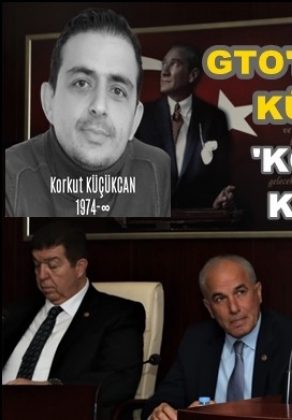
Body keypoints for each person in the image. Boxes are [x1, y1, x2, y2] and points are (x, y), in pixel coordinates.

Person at [4, 8, 171, 217]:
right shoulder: (10, 176)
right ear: (49, 101)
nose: (99, 106)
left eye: (117, 90)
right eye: (81, 83)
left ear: (135, 120)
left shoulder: (158, 169)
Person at [143, 255, 292, 420]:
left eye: (240, 292)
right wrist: (159, 413)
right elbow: (161, 400)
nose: (234, 308)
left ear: (258, 292)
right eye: (220, 299)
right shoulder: (197, 339)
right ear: (209, 308)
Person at [1, 220, 146, 420]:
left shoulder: (117, 315)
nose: (42, 275)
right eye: (36, 265)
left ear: (79, 267)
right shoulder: (13, 314)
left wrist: (49, 389)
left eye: (52, 266)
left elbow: (119, 381)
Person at [136, 44, 235, 210]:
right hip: (149, 218)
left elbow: (221, 176)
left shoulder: (215, 118)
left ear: (192, 75)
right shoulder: (141, 115)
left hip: (199, 219)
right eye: (164, 63)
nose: (164, 72)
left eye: (174, 64)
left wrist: (220, 198)